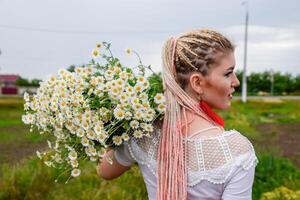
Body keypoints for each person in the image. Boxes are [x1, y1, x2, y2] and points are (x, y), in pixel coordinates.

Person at [97, 29, 258, 200]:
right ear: (197, 82)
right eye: (228, 73)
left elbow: (105, 171)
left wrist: (115, 126)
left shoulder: (143, 133)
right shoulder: (236, 152)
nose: (236, 81)